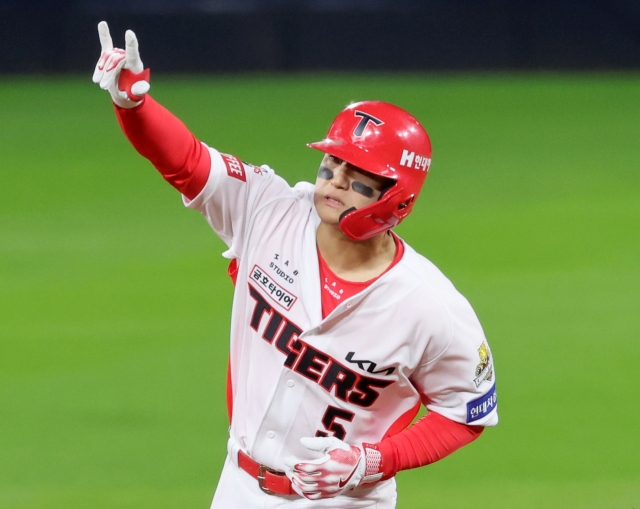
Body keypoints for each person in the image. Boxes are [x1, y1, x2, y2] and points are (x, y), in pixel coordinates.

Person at [92, 21, 498, 509]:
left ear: (398, 198)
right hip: (238, 486)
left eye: (357, 176)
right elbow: (188, 162)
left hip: (346, 502)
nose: (334, 181)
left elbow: (466, 412)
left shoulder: (429, 306)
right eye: (331, 165)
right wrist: (134, 106)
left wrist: (374, 460)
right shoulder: (268, 210)